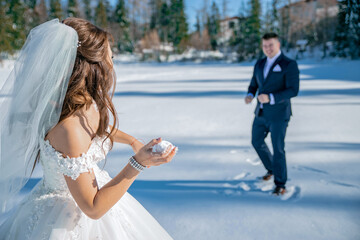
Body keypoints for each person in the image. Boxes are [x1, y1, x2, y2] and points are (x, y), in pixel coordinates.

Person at [0, 18, 177, 239]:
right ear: (93, 65)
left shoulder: (80, 103)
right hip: (66, 220)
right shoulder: (69, 129)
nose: (112, 63)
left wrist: (131, 141)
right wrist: (138, 163)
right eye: (110, 57)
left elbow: (96, 129)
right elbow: (93, 208)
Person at [245, 33, 299, 195]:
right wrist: (250, 94)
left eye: (271, 45)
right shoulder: (260, 63)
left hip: (279, 114)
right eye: (265, 46)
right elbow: (254, 83)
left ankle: (280, 183)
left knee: (278, 148)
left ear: (278, 45)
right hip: (261, 112)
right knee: (256, 141)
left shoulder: (289, 64)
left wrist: (271, 97)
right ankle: (272, 169)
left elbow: (293, 90)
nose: (268, 48)